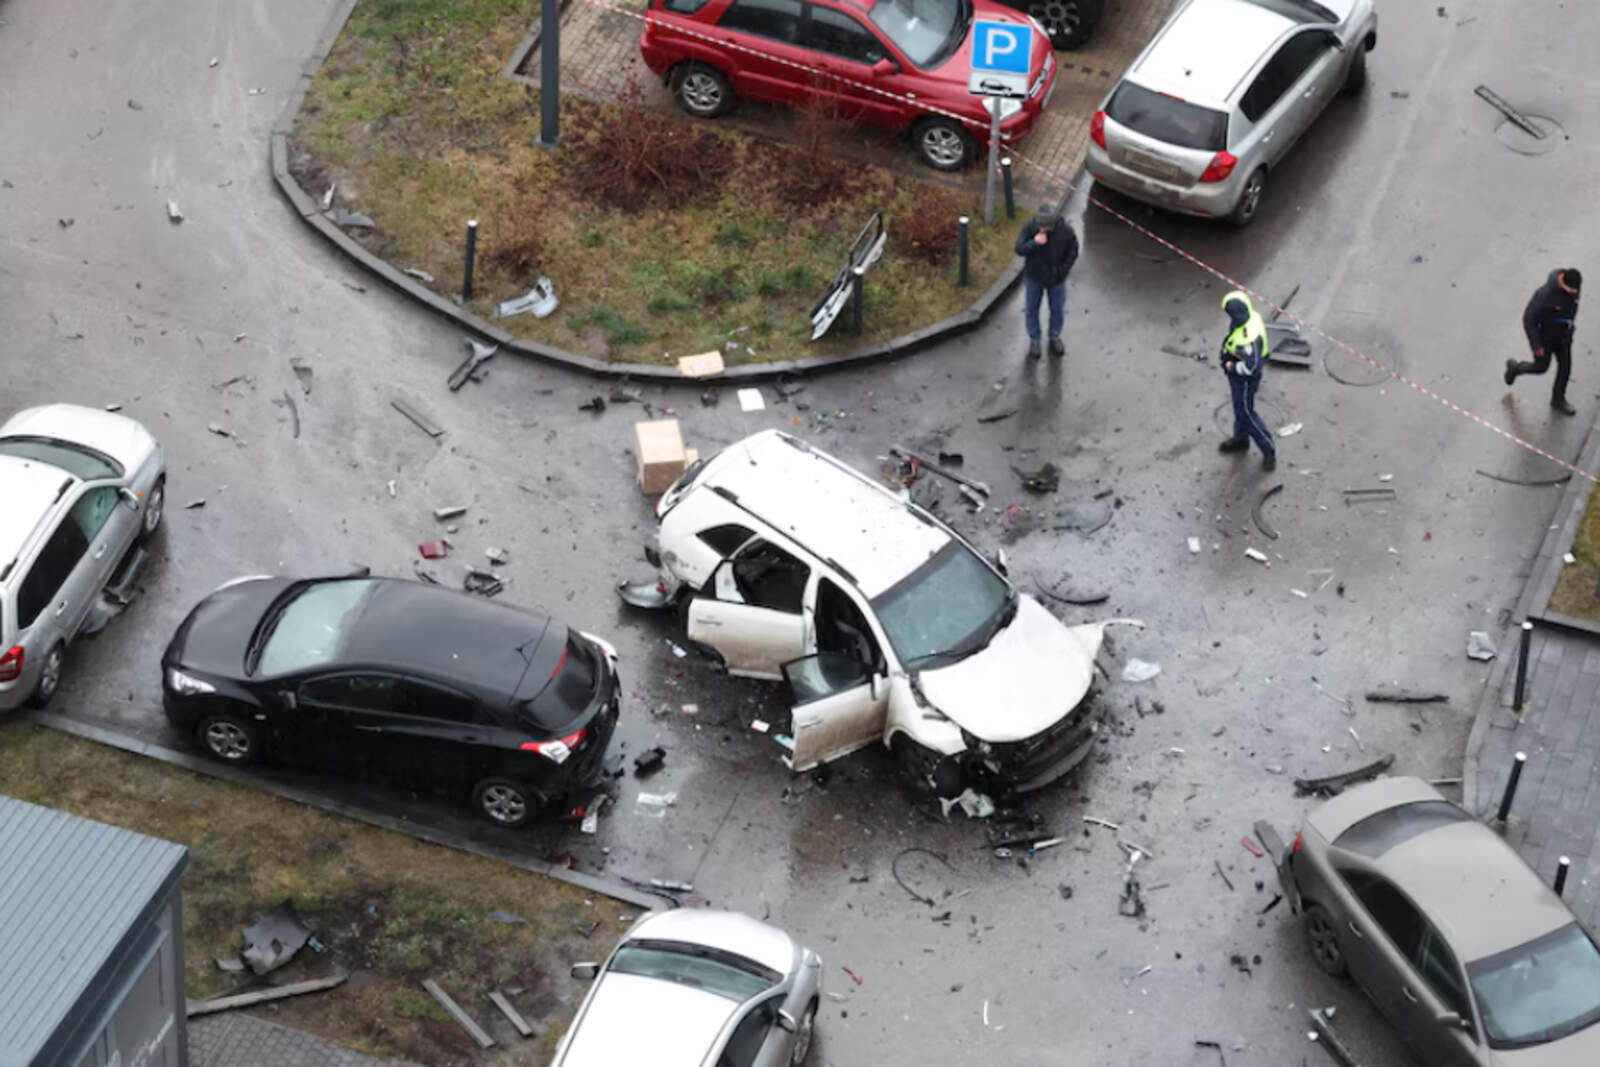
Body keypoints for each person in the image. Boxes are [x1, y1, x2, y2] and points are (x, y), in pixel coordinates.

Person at [1505, 268, 1582, 416]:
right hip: (1545, 338)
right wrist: (1536, 345)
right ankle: (1515, 368)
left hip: (1563, 337)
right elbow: (1528, 319)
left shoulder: (1574, 289)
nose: (1575, 292)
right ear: (1563, 284)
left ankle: (1558, 399)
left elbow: (1572, 309)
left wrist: (1569, 327)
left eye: (1576, 290)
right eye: (1571, 289)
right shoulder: (1545, 296)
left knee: (1565, 367)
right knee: (1541, 367)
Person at [1217, 290, 1276, 472]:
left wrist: (1231, 367)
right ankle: (1241, 439)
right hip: (1238, 375)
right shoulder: (1247, 317)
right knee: (1240, 408)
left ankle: (1268, 448)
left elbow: (1252, 367)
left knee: (1246, 414)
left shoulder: (1249, 337)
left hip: (1244, 378)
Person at [1014, 206, 1078, 359]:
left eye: (1045, 227)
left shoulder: (1066, 231)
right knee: (1031, 310)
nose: (1041, 229)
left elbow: (1073, 251)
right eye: (1040, 225)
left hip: (1056, 279)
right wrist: (1034, 242)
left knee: (1057, 309)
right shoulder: (1030, 227)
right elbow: (1019, 249)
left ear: (1053, 224)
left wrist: (1062, 271)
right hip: (1034, 277)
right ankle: (1034, 339)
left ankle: (1054, 336)